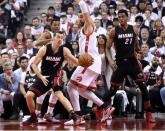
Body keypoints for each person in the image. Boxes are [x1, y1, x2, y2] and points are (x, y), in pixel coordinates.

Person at [66, 0, 115, 125]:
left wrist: (81, 3)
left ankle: (77, 116)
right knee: (81, 90)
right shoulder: (83, 29)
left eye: (82, 15)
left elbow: (87, 15)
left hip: (89, 62)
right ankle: (104, 107)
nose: (81, 16)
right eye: (79, 15)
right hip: (90, 63)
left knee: (71, 86)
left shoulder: (89, 26)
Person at [103, 9, 155, 123]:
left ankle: (149, 113)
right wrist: (111, 60)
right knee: (113, 90)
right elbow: (107, 48)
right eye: (119, 17)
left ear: (127, 17)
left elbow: (136, 46)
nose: (121, 19)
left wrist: (139, 51)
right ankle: (97, 108)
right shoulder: (113, 31)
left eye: (123, 16)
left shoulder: (134, 29)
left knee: (142, 86)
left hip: (132, 62)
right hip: (120, 63)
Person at [22, 31, 84, 125]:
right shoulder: (44, 49)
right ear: (53, 38)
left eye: (62, 38)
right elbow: (34, 65)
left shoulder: (64, 50)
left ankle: (74, 115)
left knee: (59, 95)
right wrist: (41, 76)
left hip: (56, 76)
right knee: (29, 95)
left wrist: (84, 62)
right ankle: (33, 116)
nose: (60, 39)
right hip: (44, 76)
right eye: (58, 37)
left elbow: (75, 61)